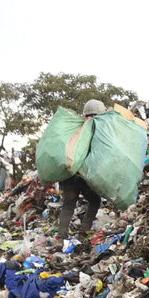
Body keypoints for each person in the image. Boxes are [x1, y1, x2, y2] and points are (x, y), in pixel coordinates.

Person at [57, 99, 106, 238]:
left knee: (68, 205)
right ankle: (83, 232)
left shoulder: (75, 128)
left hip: (68, 173)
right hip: (84, 174)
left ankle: (61, 238)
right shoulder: (99, 130)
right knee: (95, 201)